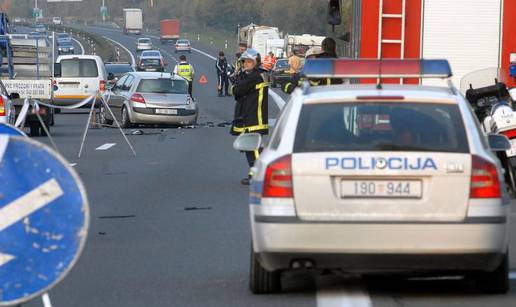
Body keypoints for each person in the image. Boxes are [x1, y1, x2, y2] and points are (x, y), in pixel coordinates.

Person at [231, 48, 269, 185]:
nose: (245, 64)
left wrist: (235, 82)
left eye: (249, 61)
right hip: (251, 117)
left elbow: (237, 91)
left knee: (254, 148)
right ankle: (254, 173)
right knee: (250, 148)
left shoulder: (254, 77)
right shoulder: (257, 75)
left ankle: (259, 175)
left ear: (255, 62)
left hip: (254, 118)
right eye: (244, 61)